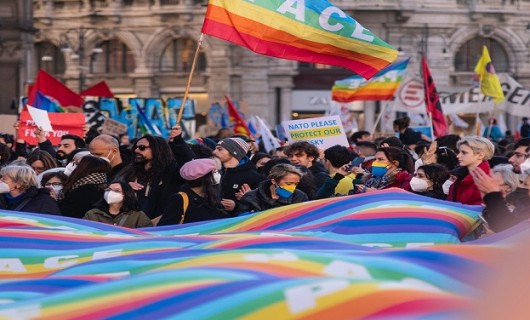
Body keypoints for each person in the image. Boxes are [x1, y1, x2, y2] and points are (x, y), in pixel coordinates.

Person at [115, 127, 195, 220]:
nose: (137, 150)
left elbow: (190, 165)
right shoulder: (128, 172)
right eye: (135, 147)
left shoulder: (171, 172)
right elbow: (112, 189)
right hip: (132, 227)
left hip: (161, 227)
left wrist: (178, 142)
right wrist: (124, 188)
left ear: (157, 150)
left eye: (142, 148)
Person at [158, 158, 226, 225]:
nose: (217, 174)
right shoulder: (179, 199)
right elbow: (164, 227)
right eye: (214, 172)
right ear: (205, 177)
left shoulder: (211, 197)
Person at [213, 137, 264, 215]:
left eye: (220, 149)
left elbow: (262, 205)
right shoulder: (220, 171)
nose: (214, 152)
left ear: (234, 152)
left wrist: (236, 205)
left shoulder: (253, 177)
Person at [471, 167, 530, 232]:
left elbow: (510, 229)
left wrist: (492, 195)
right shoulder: (521, 204)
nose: (520, 186)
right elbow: (500, 227)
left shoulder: (519, 205)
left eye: (525, 184)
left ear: (509, 186)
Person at [239, 163, 308, 213]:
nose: (292, 187)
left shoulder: (300, 197)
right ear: (274, 181)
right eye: (288, 183)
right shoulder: (252, 197)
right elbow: (241, 220)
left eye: (296, 184)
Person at [447, 136, 495, 205]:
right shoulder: (457, 176)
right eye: (459, 152)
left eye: (464, 153)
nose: (458, 156)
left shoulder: (487, 180)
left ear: (480, 156)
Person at [84, 180, 152, 228]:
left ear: (126, 195)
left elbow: (149, 237)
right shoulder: (92, 214)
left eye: (117, 191)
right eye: (108, 189)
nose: (110, 192)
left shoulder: (138, 216)